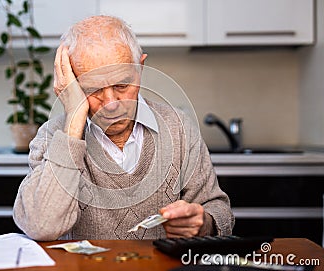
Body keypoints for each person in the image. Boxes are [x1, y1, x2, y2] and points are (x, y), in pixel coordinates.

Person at [13, 15, 234, 241]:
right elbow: (41, 226)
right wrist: (73, 127)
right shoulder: (53, 136)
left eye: (122, 85)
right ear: (71, 86)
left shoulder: (178, 127)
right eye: (93, 89)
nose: (111, 104)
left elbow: (220, 210)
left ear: (140, 68)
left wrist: (204, 223)